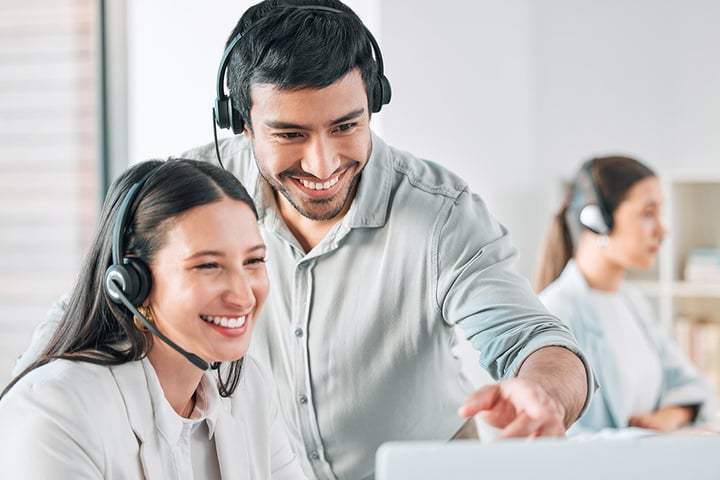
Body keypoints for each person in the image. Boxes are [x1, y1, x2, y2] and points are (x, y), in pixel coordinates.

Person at [14, 1, 597, 478]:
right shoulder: (195, 200)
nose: (324, 162)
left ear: (374, 105)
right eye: (290, 133)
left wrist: (544, 390)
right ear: (240, 123)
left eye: (347, 125)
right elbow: (73, 333)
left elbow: (536, 339)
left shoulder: (441, 212)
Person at [1, 159, 306, 479]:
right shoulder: (56, 414)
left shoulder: (246, 389)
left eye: (253, 260)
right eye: (208, 266)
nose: (243, 296)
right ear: (132, 281)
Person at [534, 155, 716, 435]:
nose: (663, 229)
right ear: (597, 221)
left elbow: (690, 385)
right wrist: (662, 440)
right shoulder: (554, 312)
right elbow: (563, 436)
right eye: (648, 213)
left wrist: (672, 416)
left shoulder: (632, 302)